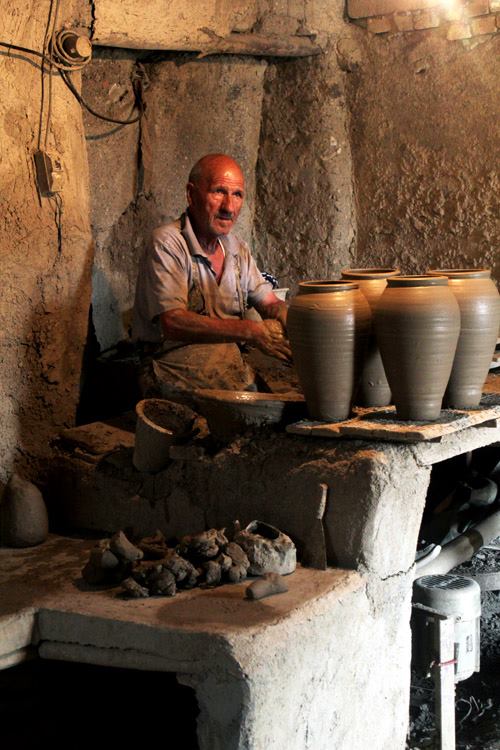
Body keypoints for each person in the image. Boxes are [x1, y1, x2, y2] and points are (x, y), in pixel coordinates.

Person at [132, 153, 291, 399]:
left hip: (228, 352)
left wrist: (293, 322)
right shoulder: (167, 243)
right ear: (191, 194)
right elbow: (173, 322)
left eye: (237, 195)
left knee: (289, 379)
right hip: (170, 358)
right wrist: (251, 331)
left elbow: (269, 302)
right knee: (245, 396)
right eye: (219, 192)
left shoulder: (236, 249)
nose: (229, 207)